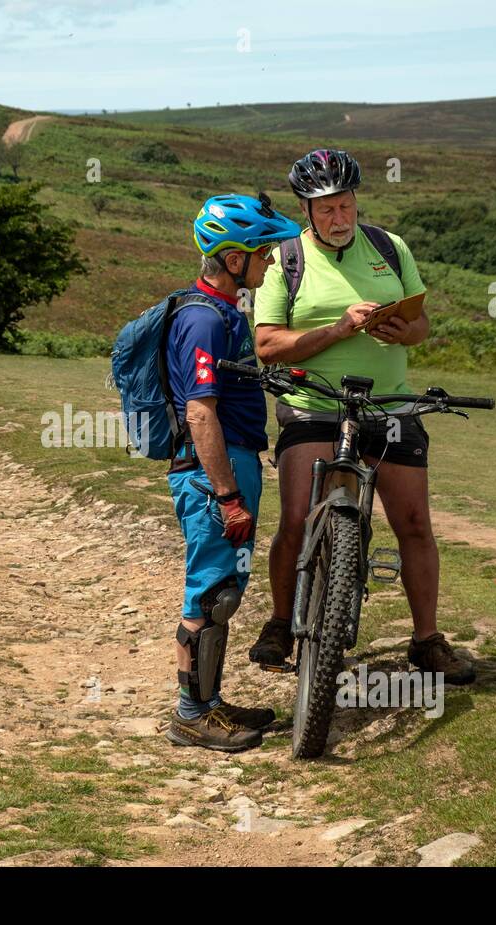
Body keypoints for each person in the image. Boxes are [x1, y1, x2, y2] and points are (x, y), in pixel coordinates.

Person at [247, 149, 475, 685]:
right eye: (327, 209)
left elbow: (422, 326)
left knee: (414, 524)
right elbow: (267, 345)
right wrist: (337, 331)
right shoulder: (285, 259)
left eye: (346, 205)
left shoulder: (390, 248)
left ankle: (426, 640)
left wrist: (405, 330)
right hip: (314, 407)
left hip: (389, 406)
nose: (339, 217)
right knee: (297, 519)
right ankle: (280, 622)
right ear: (306, 210)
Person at [164, 193, 304, 752]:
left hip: (232, 463)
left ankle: (210, 703)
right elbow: (200, 413)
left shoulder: (224, 313)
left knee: (224, 590)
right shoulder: (203, 318)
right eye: (261, 253)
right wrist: (226, 496)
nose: (269, 261)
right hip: (212, 472)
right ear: (233, 258)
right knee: (211, 595)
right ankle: (190, 716)